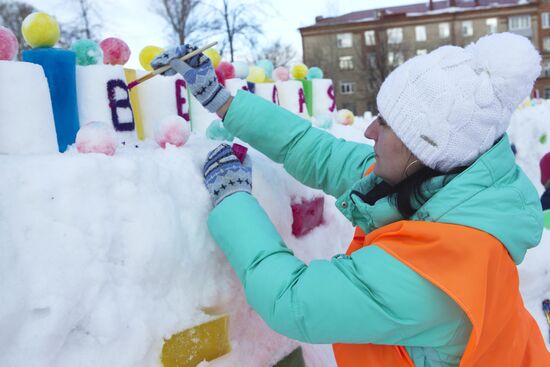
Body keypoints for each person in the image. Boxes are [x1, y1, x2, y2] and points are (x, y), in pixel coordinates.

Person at [152, 32, 550, 366]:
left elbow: (294, 302)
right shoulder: (443, 185)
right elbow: (319, 153)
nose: (369, 131)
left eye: (387, 124)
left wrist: (234, 201)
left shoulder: (434, 273)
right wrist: (224, 102)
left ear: (423, 151)